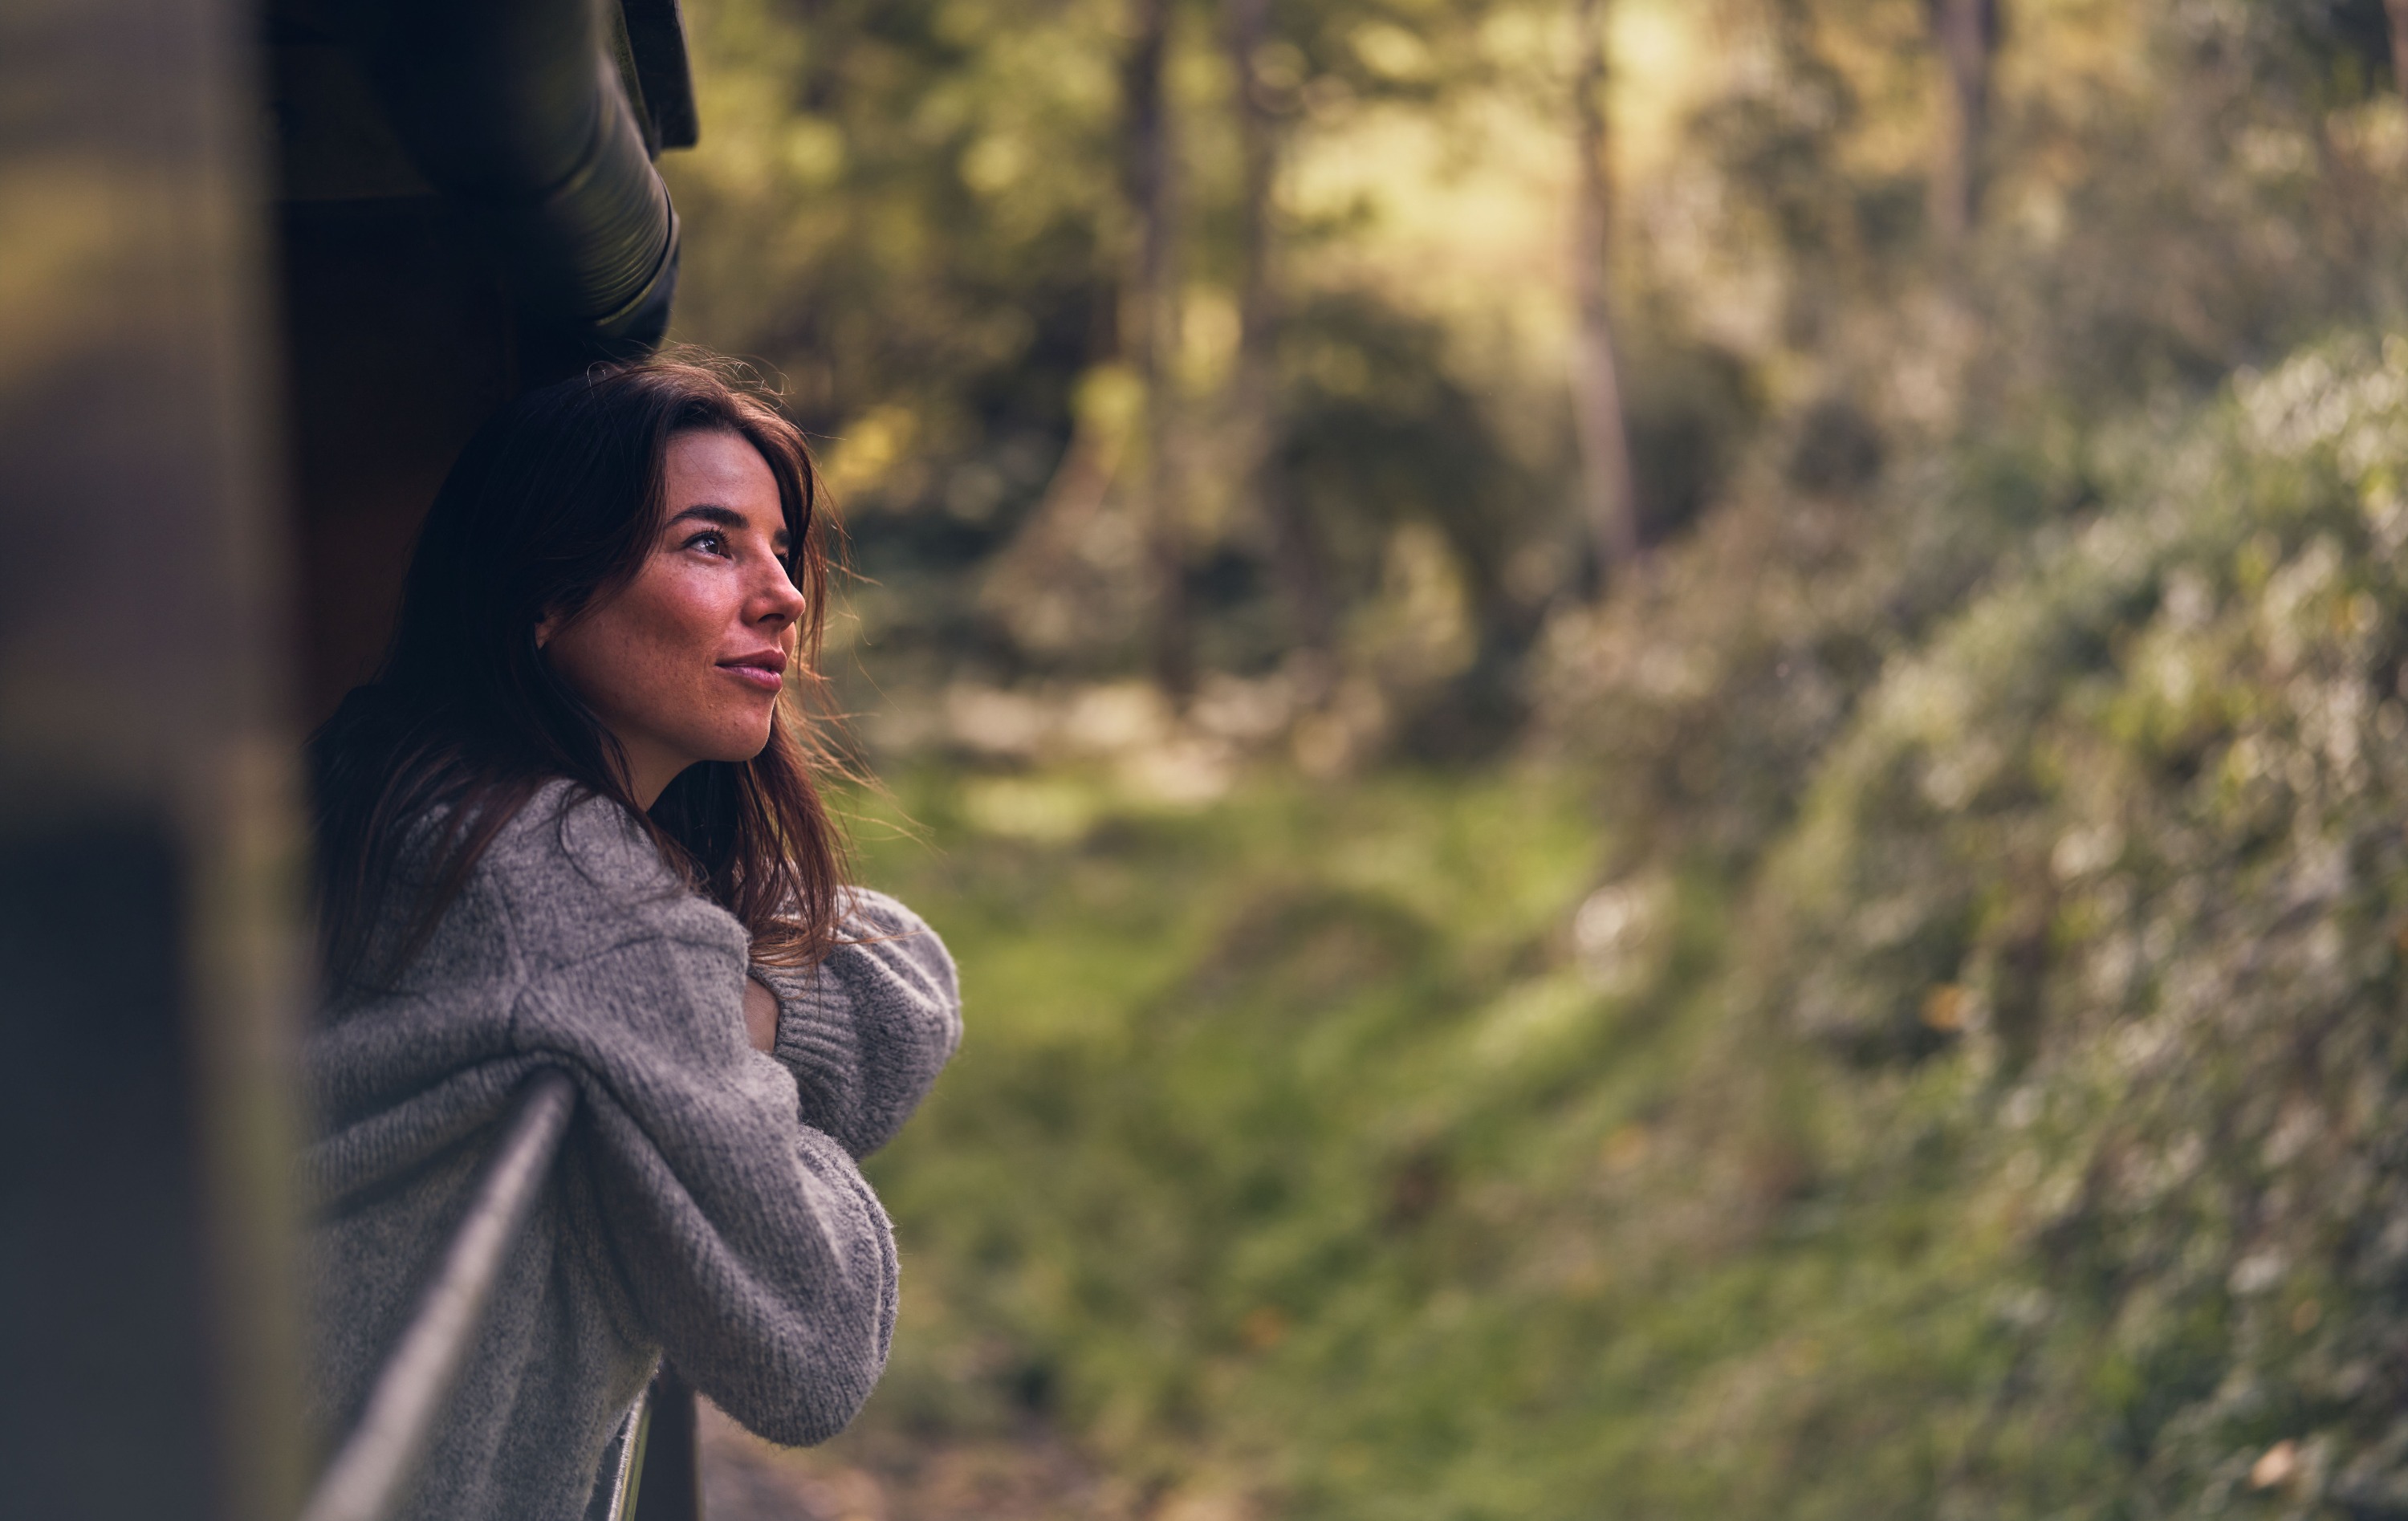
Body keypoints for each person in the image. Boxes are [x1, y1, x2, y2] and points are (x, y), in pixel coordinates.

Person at [301, 353, 960, 1520]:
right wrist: (716, 1010)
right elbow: (814, 1342)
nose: (785, 595)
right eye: (710, 544)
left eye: (777, 546)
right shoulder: (556, 882)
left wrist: (732, 1009)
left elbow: (900, 961)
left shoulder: (419, 796)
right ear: (543, 595)